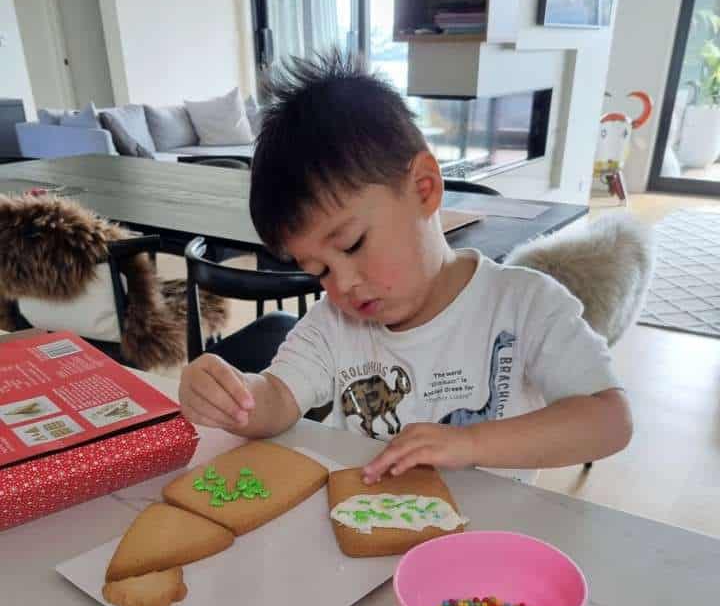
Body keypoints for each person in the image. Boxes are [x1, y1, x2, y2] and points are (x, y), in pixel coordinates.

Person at [179, 50, 632, 485]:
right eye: (320, 271)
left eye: (353, 245)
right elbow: (278, 397)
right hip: (363, 521)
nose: (343, 285)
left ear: (424, 187)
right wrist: (233, 398)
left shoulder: (523, 305)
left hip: (484, 532)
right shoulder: (333, 325)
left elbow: (609, 419)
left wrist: (470, 443)